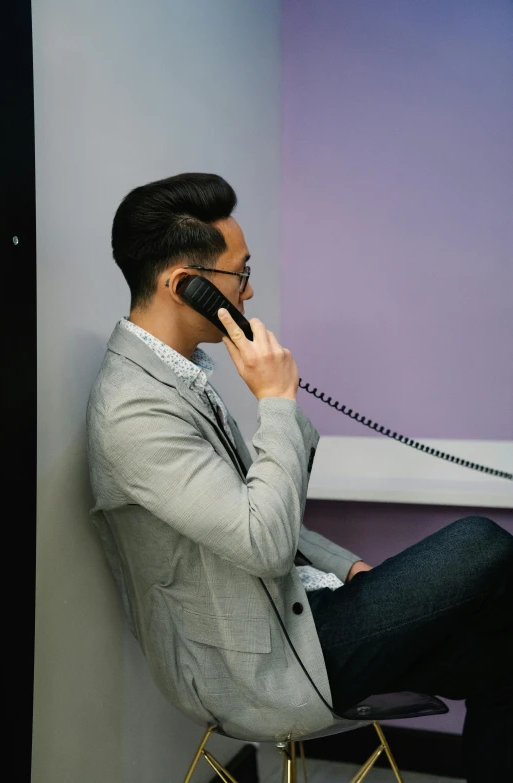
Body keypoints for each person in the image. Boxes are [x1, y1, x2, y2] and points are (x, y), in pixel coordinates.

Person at [87, 173, 513, 782]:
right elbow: (262, 541)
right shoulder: (134, 409)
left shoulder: (179, 377)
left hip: (302, 614)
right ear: (186, 285)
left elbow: (252, 504)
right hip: (258, 665)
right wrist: (277, 402)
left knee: (505, 656)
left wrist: (345, 566)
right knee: (482, 543)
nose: (250, 290)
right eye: (240, 274)